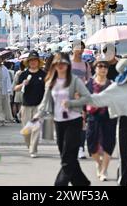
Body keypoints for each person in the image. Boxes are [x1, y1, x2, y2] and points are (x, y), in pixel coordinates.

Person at [33, 52, 91, 186]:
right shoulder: (50, 81)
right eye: (57, 63)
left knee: (67, 157)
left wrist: (71, 103)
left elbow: (87, 97)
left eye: (63, 63)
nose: (60, 65)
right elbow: (45, 102)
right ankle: (82, 183)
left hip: (74, 121)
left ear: (68, 65)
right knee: (66, 155)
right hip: (59, 122)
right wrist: (37, 116)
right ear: (53, 65)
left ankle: (60, 184)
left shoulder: (74, 80)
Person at [85, 59, 115, 182]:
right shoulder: (89, 84)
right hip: (93, 118)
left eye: (105, 67)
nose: (103, 68)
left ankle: (104, 170)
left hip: (109, 118)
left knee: (109, 144)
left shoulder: (112, 84)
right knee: (91, 146)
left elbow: (116, 100)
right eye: (100, 66)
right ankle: (99, 162)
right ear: (95, 68)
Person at [15, 51, 46, 158]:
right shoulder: (23, 74)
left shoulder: (43, 74)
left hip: (39, 106)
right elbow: (16, 88)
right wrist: (23, 84)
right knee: (26, 131)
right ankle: (30, 146)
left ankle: (33, 149)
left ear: (38, 62)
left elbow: (47, 90)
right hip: (26, 105)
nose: (33, 62)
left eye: (35, 60)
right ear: (28, 62)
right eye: (31, 60)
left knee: (36, 129)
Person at [70, 40, 91, 160]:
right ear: (73, 49)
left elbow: (89, 80)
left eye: (82, 48)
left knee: (83, 124)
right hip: (69, 97)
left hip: (82, 98)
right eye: (78, 48)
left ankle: (81, 148)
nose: (80, 51)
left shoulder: (86, 65)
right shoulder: (67, 63)